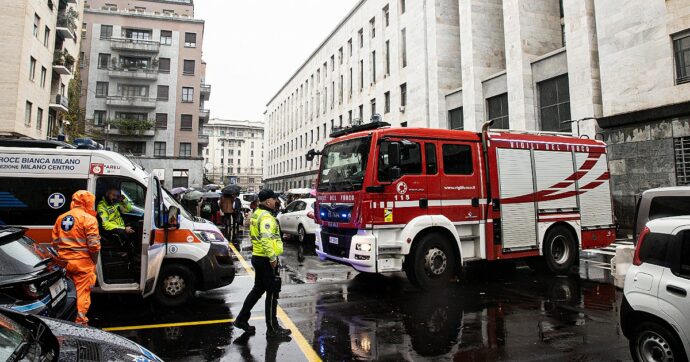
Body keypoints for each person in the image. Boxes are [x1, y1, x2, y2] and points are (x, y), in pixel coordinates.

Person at [234, 189, 291, 337]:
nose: (276, 201)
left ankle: (241, 319)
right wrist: (272, 259)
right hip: (266, 259)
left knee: (258, 290)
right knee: (272, 293)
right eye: (274, 199)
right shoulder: (266, 217)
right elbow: (266, 240)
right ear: (267, 201)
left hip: (258, 256)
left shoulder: (257, 213)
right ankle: (273, 328)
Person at [52, 190, 101, 325]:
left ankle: (63, 319)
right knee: (81, 294)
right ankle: (78, 323)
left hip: (64, 263)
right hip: (82, 265)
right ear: (88, 202)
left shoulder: (61, 218)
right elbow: (94, 246)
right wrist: (94, 262)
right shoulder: (89, 219)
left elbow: (55, 243)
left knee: (65, 293)